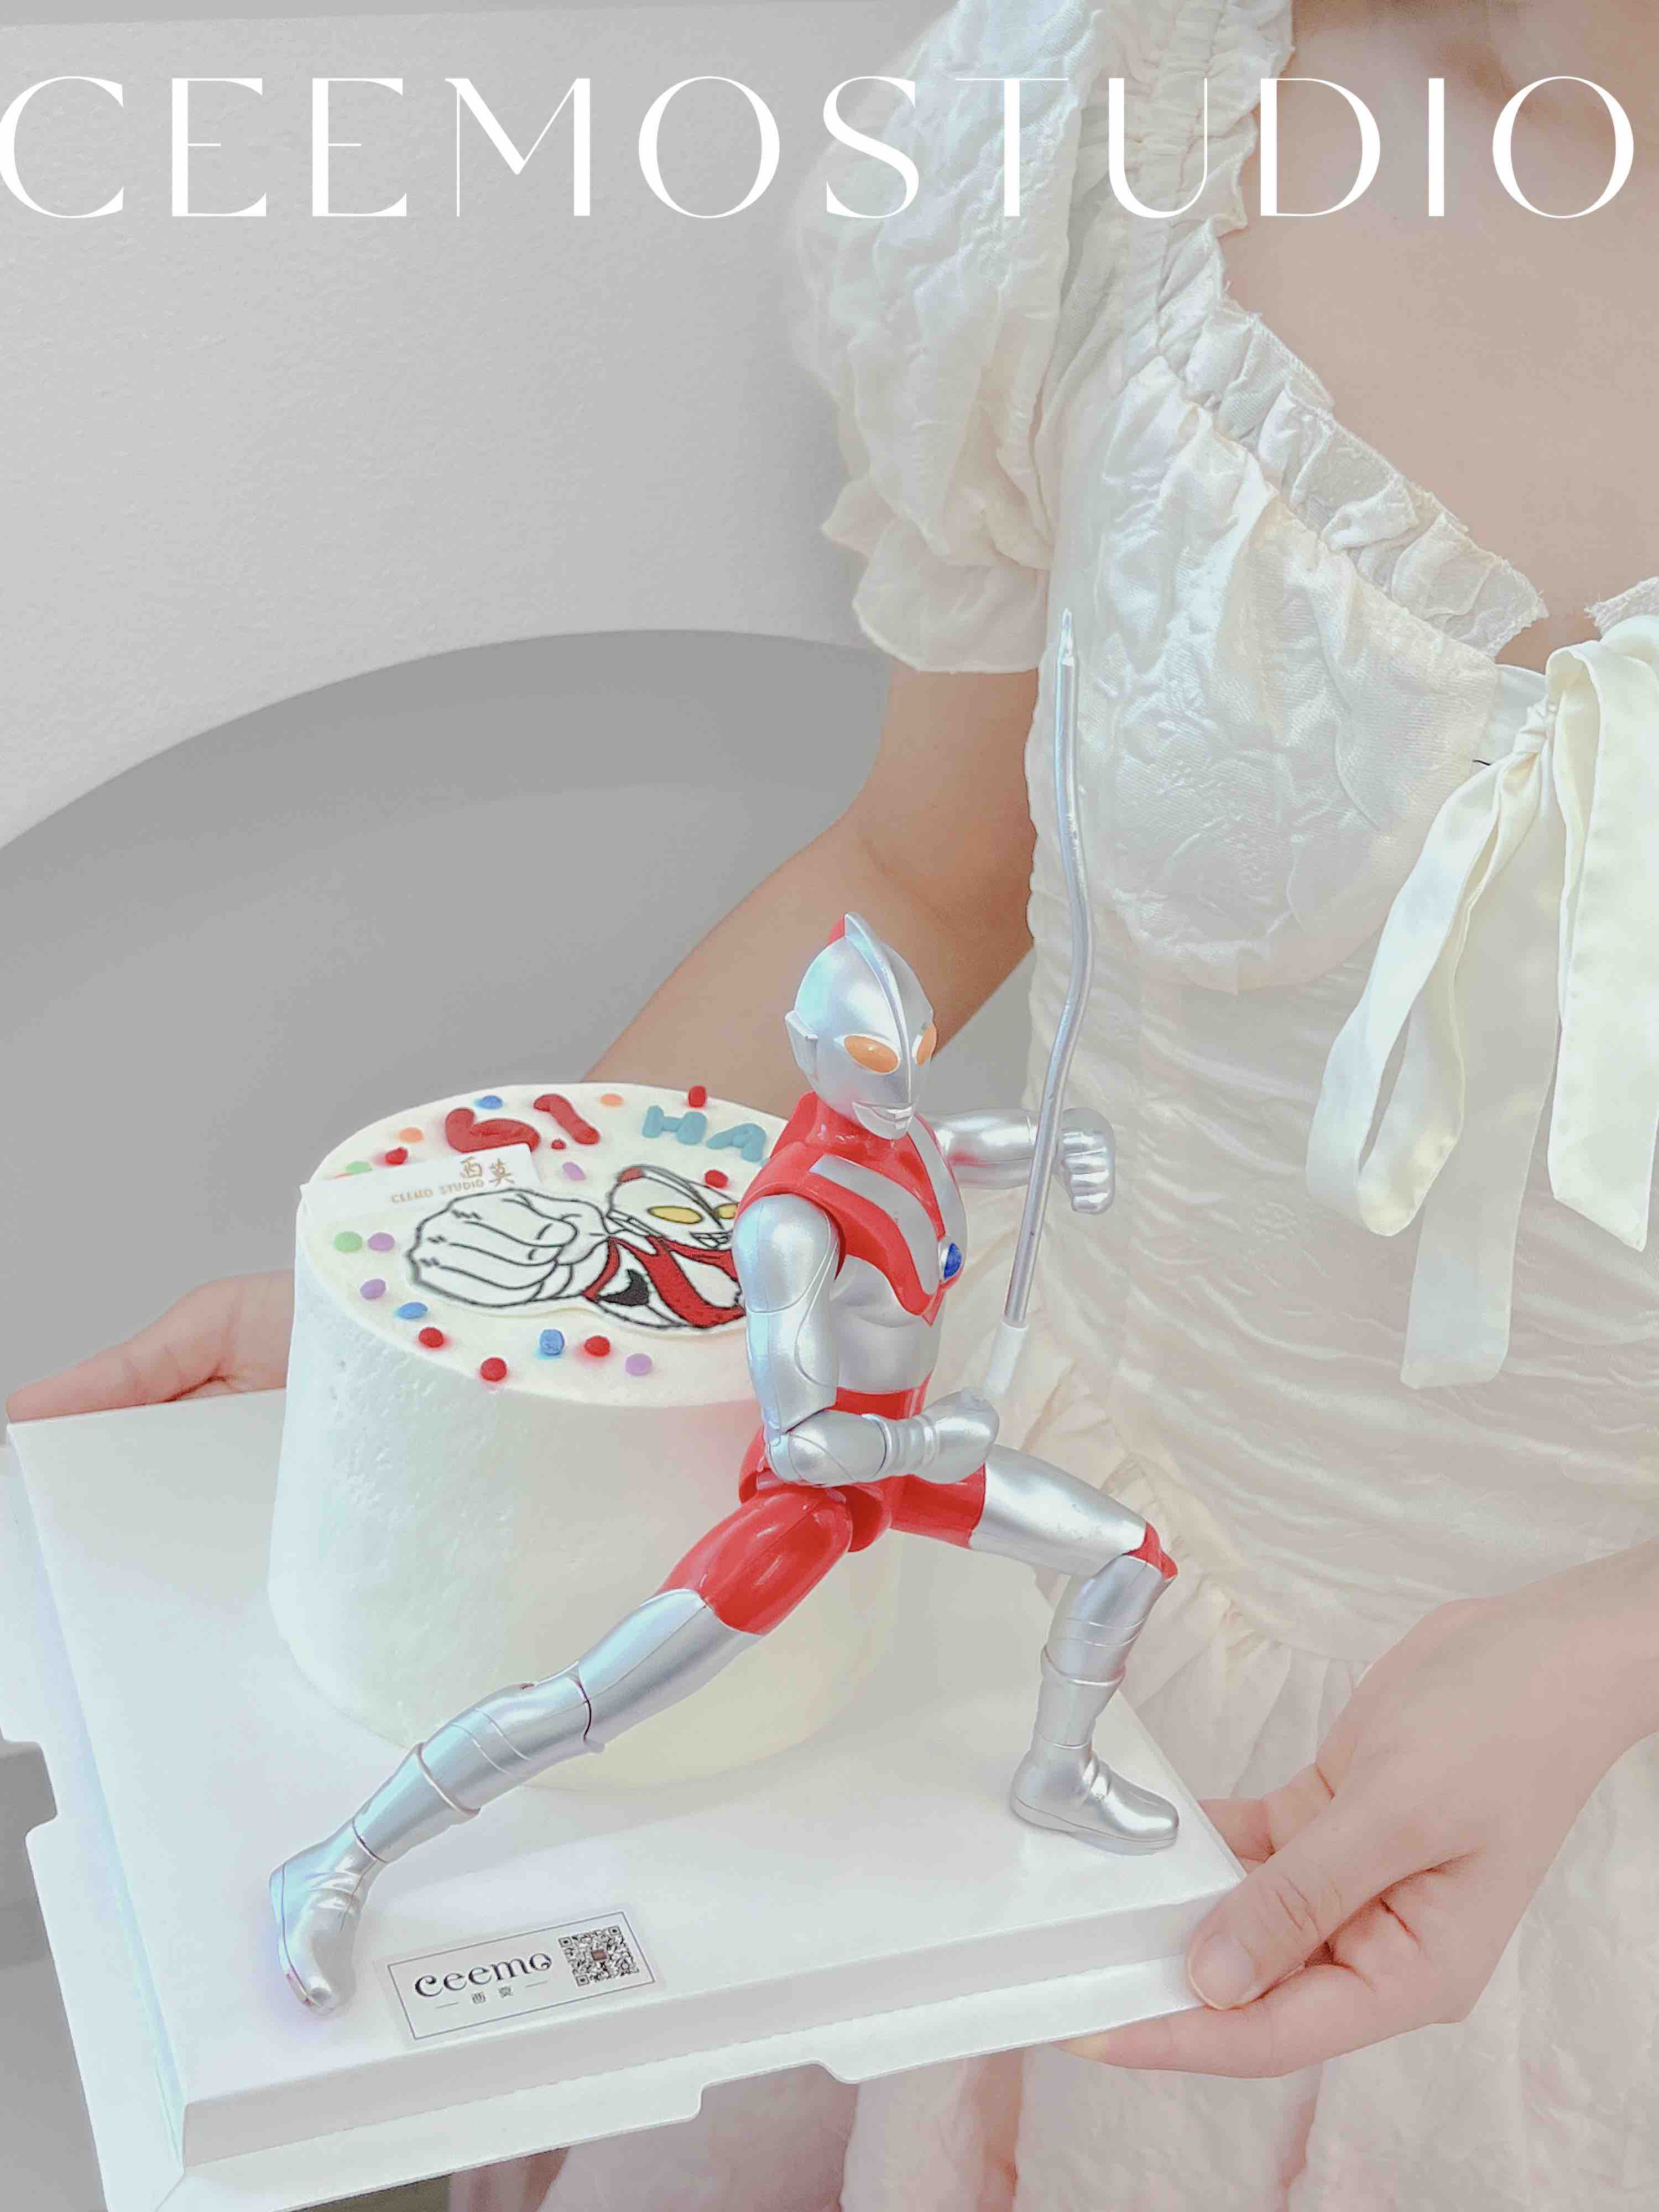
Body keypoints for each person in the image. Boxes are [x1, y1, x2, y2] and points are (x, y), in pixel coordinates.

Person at [12, 1, 1659, 2205]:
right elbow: (925, 870)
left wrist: (1611, 1649)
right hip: (985, 1633)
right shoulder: (1121, 110)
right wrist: (498, 1328)